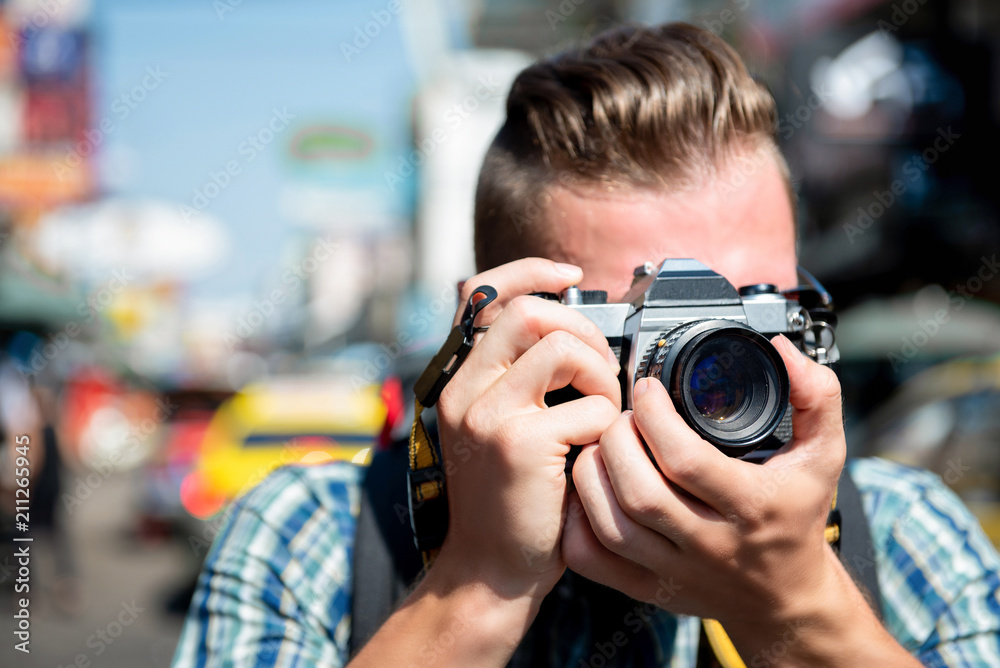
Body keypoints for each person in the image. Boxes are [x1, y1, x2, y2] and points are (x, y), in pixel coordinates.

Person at [173, 23, 1000, 667]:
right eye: (646, 330)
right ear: (499, 338)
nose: (716, 368)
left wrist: (798, 608)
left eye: (755, 309)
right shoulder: (314, 541)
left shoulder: (901, 531)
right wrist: (477, 590)